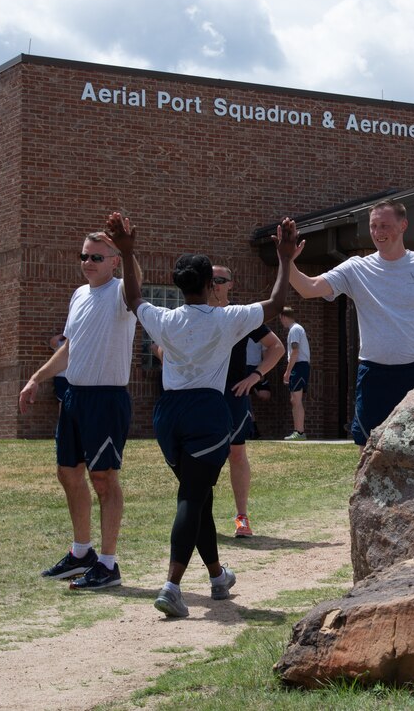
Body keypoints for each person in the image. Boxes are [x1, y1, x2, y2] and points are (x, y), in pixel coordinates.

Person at [106, 212, 297, 618]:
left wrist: (127, 252)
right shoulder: (227, 319)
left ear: (178, 285)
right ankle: (172, 586)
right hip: (206, 414)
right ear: (212, 285)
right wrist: (283, 258)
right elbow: (277, 304)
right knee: (192, 497)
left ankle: (216, 577)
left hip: (168, 415)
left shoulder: (165, 318)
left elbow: (134, 299)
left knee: (200, 497)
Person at [18, 230, 137, 590]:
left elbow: (136, 282)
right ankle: (81, 552)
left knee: (103, 479)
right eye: (83, 256)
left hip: (106, 400)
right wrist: (37, 378)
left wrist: (129, 248)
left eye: (96, 257)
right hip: (74, 398)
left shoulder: (122, 292)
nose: (87, 263)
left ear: (114, 261)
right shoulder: (79, 295)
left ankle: (108, 564)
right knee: (68, 473)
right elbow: (70, 348)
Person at [287, 199, 414, 448]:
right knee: (367, 452)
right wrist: (286, 261)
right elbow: (308, 288)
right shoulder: (357, 268)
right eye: (373, 226)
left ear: (403, 225)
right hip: (372, 376)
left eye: (385, 226)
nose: (378, 233)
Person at [210, 264, 286, 538]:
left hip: (234, 395)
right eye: (210, 279)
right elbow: (161, 346)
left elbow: (276, 347)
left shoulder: (241, 316)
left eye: (220, 279)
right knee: (201, 457)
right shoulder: (195, 313)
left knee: (237, 453)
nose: (214, 284)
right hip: (203, 395)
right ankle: (199, 516)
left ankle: (241, 517)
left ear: (231, 284)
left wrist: (255, 377)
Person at [280, 307, 310, 440]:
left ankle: (299, 432)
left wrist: (287, 371)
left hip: (299, 366)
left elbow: (295, 351)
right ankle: (299, 431)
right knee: (295, 400)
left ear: (283, 317)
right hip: (299, 366)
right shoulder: (296, 329)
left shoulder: (294, 329)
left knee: (296, 400)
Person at [49, 332, 70, 403]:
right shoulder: (60, 343)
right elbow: (53, 342)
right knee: (62, 401)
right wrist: (63, 335)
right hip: (61, 377)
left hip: (73, 378)